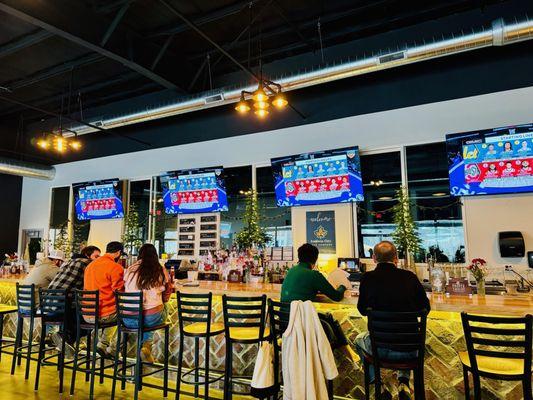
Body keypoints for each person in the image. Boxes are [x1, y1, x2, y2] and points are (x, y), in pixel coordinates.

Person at [355, 241, 430, 400]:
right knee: (406, 338)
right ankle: (403, 382)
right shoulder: (409, 277)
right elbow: (425, 308)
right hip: (411, 351)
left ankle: (377, 384)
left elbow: (362, 309)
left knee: (358, 339)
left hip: (379, 349)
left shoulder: (367, 278)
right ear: (396, 258)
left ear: (374, 258)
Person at [281, 243, 359, 363]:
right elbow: (336, 296)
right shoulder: (314, 275)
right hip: (301, 325)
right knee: (329, 321)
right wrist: (343, 286)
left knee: (327, 319)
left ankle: (347, 352)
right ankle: (345, 353)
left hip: (284, 323)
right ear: (315, 259)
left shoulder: (291, 271)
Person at [46, 245, 101, 357]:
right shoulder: (87, 263)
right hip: (61, 308)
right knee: (89, 319)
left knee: (78, 311)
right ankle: (65, 338)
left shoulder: (67, 262)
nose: (98, 259)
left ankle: (64, 339)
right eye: (96, 256)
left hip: (46, 307)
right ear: (87, 255)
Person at [123, 244, 173, 362]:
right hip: (152, 317)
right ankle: (146, 346)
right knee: (162, 307)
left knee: (144, 318)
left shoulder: (130, 268)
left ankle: (119, 347)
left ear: (140, 255)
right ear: (155, 255)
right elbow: (168, 290)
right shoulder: (160, 269)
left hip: (128, 319)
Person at [83, 241, 125, 357]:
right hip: (103, 315)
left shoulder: (90, 266)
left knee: (112, 312)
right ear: (118, 253)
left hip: (86, 314)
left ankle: (97, 345)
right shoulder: (116, 267)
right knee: (128, 315)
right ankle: (112, 348)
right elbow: (119, 291)